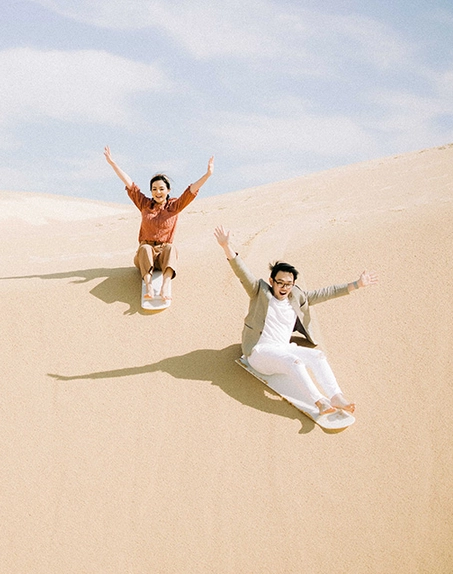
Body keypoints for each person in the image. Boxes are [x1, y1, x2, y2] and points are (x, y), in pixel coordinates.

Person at [213, 225, 378, 415]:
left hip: (284, 349)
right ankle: (320, 402)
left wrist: (357, 284)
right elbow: (242, 273)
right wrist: (226, 246)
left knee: (318, 356)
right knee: (295, 362)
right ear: (272, 281)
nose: (284, 288)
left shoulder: (296, 298)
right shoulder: (259, 292)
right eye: (280, 282)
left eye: (288, 284)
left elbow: (326, 293)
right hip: (260, 352)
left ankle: (336, 396)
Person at [104, 146, 214, 301]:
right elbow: (130, 185)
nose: (158, 192)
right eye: (154, 189)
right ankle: (148, 285)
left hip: (164, 255)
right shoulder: (145, 204)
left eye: (161, 188)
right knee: (145, 248)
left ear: (168, 190)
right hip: (145, 254)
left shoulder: (174, 206)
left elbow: (190, 191)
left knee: (171, 248)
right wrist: (113, 163)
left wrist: (208, 174)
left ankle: (165, 285)